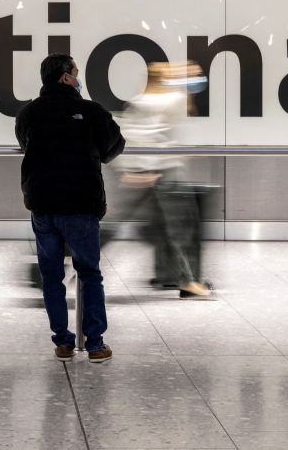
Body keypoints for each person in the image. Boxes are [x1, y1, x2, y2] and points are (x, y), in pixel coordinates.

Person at [15, 54, 125, 363]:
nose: (79, 78)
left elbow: (27, 145)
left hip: (43, 206)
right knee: (89, 273)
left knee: (51, 275)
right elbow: (113, 147)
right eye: (76, 73)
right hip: (80, 206)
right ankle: (95, 344)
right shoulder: (92, 112)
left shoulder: (28, 113)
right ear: (66, 77)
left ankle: (63, 343)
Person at [112, 62, 214, 299]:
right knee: (184, 227)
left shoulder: (139, 99)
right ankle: (188, 281)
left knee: (114, 223)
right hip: (163, 171)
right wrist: (149, 170)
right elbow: (152, 135)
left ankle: (55, 263)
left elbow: (134, 134)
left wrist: (136, 170)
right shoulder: (173, 99)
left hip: (139, 168)